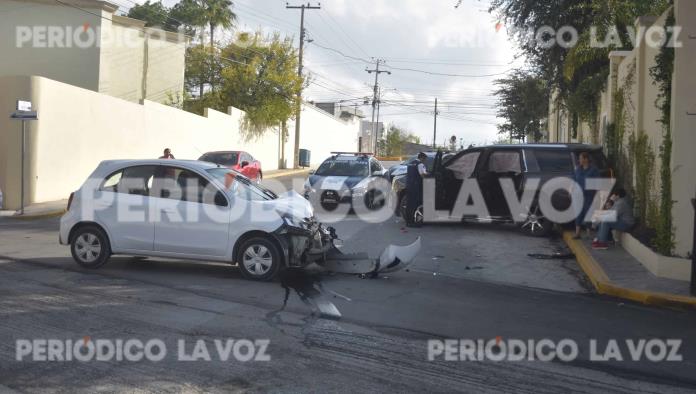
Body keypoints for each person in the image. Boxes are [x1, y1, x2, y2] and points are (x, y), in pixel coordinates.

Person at [573, 152, 599, 239]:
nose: (579, 160)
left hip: (589, 195)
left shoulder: (593, 170)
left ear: (586, 159)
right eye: (579, 158)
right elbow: (574, 180)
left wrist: (596, 195)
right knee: (578, 213)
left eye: (581, 158)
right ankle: (577, 233)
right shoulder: (578, 169)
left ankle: (589, 233)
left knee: (588, 212)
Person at [404, 152, 428, 227]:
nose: (425, 161)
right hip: (416, 187)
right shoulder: (420, 164)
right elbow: (422, 175)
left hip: (409, 186)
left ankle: (408, 222)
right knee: (415, 205)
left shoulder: (411, 163)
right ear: (422, 158)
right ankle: (413, 222)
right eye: (425, 159)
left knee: (409, 205)